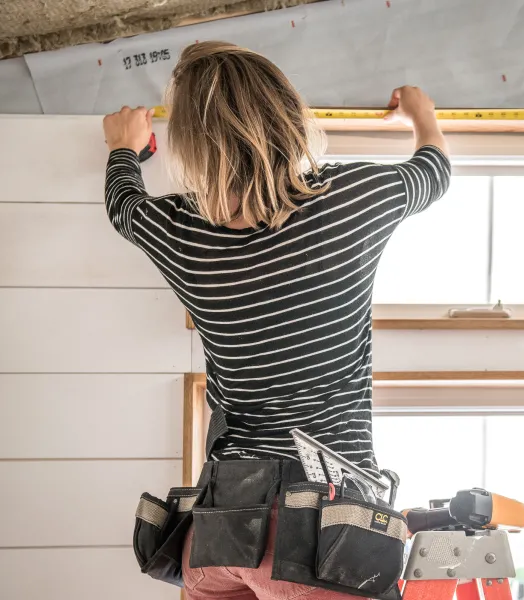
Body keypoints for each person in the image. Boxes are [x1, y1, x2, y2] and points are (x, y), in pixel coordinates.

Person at [103, 41, 450, 600]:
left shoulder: (179, 229)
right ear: (290, 116)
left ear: (187, 143)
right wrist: (421, 115)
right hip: (320, 537)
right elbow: (432, 173)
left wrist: (126, 149)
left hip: (217, 533)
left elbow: (122, 203)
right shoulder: (355, 198)